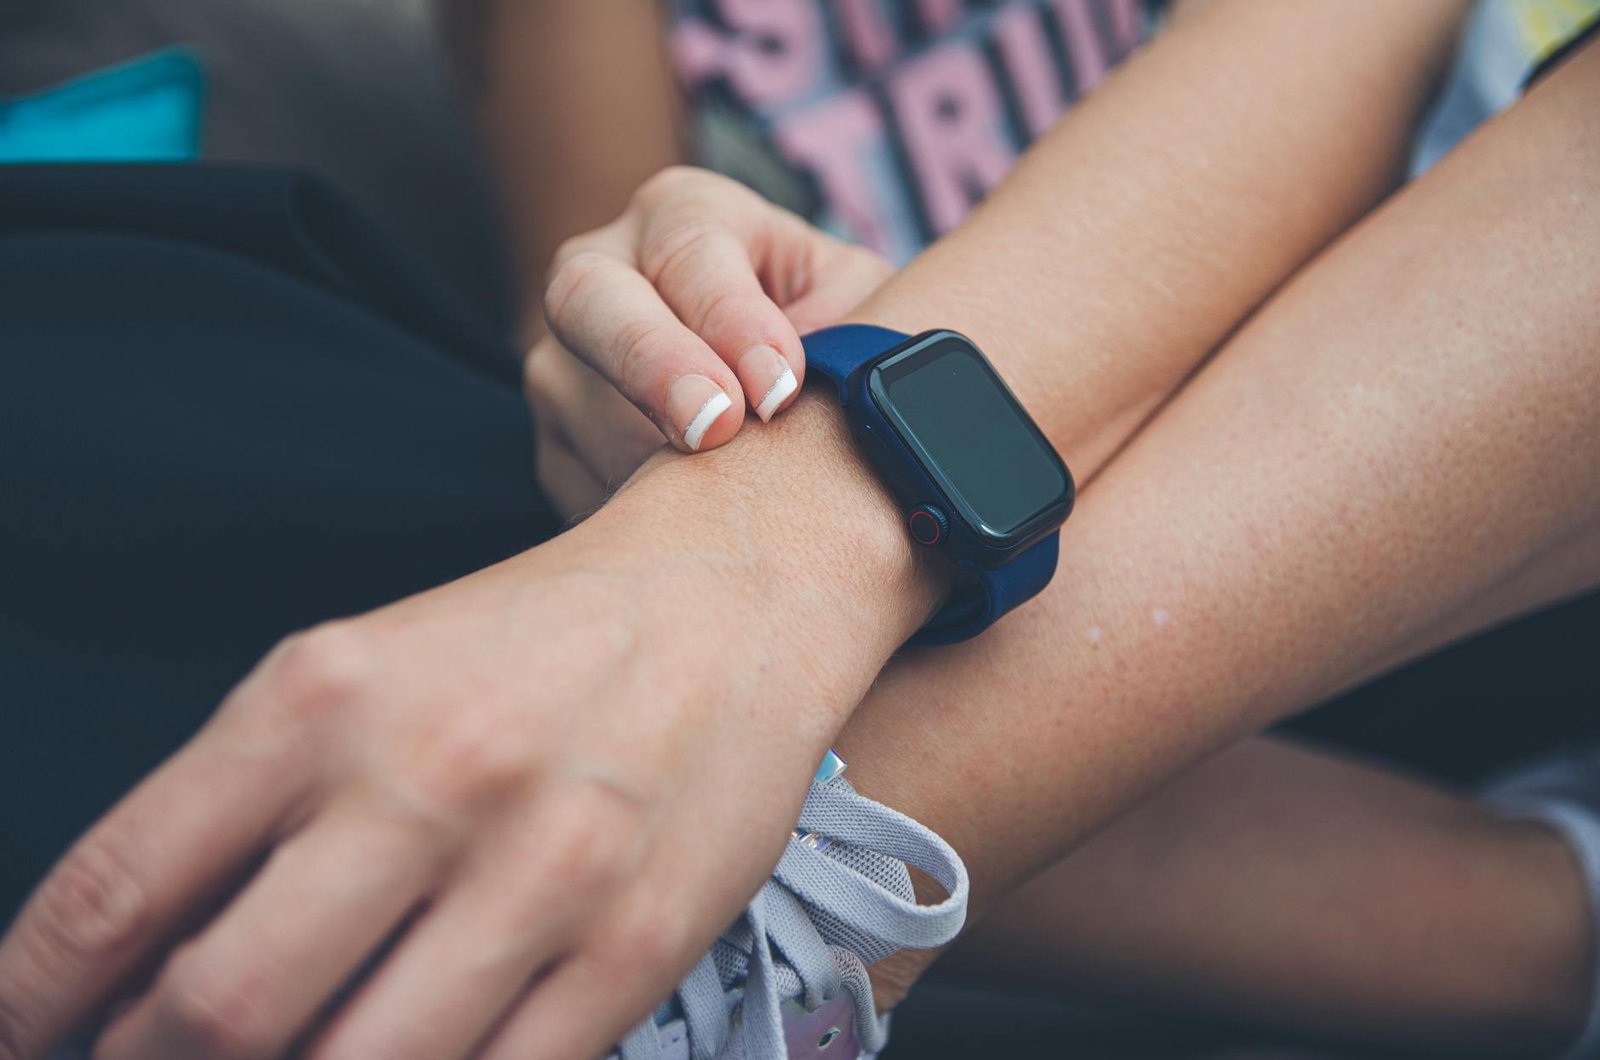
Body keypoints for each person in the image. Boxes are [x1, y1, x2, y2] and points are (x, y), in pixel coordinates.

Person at [1, 4, 1596, 1060]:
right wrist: (653, 339)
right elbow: (626, 413)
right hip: (823, 624)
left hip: (1457, 525)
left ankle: (805, 869)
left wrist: (773, 551)